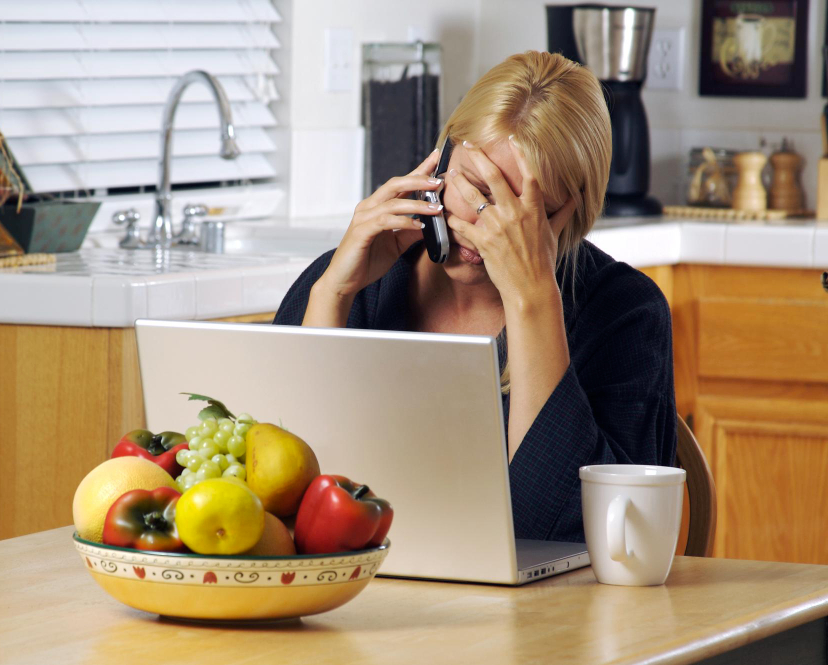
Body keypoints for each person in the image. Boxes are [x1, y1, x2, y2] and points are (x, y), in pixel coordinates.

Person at [273, 51, 676, 543]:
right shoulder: (354, 279)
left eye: (525, 211)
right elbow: (274, 496)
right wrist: (332, 292)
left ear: (573, 215)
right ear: (440, 158)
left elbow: (559, 531)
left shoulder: (627, 314)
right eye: (477, 188)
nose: (488, 228)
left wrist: (532, 302)